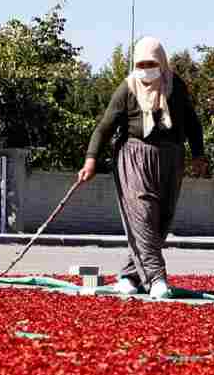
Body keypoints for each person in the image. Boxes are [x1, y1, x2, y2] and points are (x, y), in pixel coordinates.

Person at [77, 37, 207, 299]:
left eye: (152, 63)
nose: (146, 68)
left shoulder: (176, 87)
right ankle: (156, 279)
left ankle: (129, 275)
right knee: (143, 214)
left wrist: (198, 155)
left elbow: (192, 123)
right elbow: (105, 126)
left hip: (170, 157)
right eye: (141, 63)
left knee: (160, 220)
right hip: (134, 156)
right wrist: (91, 159)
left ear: (162, 62)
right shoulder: (127, 88)